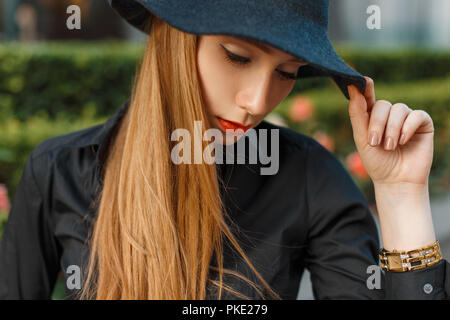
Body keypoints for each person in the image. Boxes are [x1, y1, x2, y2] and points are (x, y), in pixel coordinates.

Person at [0, 0, 449, 300]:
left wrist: (400, 195)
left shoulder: (311, 178)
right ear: (175, 39)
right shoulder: (59, 171)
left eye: (287, 72)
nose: (257, 102)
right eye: (237, 55)